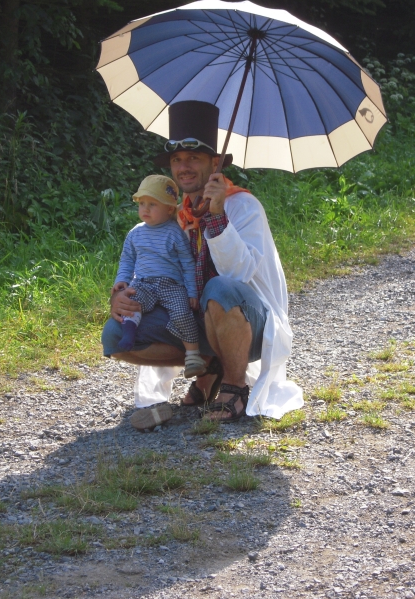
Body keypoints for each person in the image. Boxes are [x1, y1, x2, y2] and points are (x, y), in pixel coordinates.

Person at [102, 100, 303, 429]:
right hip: (199, 320)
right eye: (177, 160)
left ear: (215, 162)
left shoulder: (243, 206)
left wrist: (217, 215)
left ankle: (235, 386)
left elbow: (237, 275)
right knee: (115, 335)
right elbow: (158, 270)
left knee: (219, 287)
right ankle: (210, 367)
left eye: (194, 158)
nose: (184, 167)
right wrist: (123, 295)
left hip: (251, 325)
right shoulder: (178, 214)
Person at [113, 174, 207, 379]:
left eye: (152, 204)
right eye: (142, 204)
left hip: (171, 285)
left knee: (182, 314)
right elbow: (127, 259)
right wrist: (122, 280)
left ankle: (193, 355)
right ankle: (129, 334)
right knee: (131, 303)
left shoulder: (175, 233)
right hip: (143, 283)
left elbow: (188, 263)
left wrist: (192, 291)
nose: (145, 209)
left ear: (169, 209)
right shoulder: (135, 233)